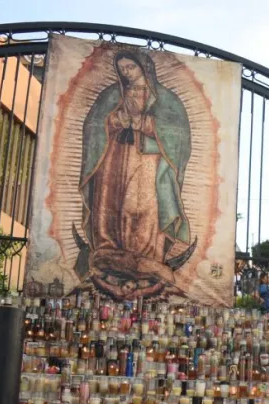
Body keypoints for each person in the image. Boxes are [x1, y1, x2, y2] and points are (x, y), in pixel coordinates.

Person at [78, 50, 195, 300]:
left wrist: (146, 124)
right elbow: (93, 124)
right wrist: (114, 120)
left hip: (147, 159)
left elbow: (178, 136)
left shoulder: (165, 99)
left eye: (131, 67)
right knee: (109, 203)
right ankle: (108, 249)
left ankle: (146, 256)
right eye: (122, 69)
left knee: (142, 206)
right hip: (113, 156)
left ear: (144, 67)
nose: (126, 72)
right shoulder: (112, 95)